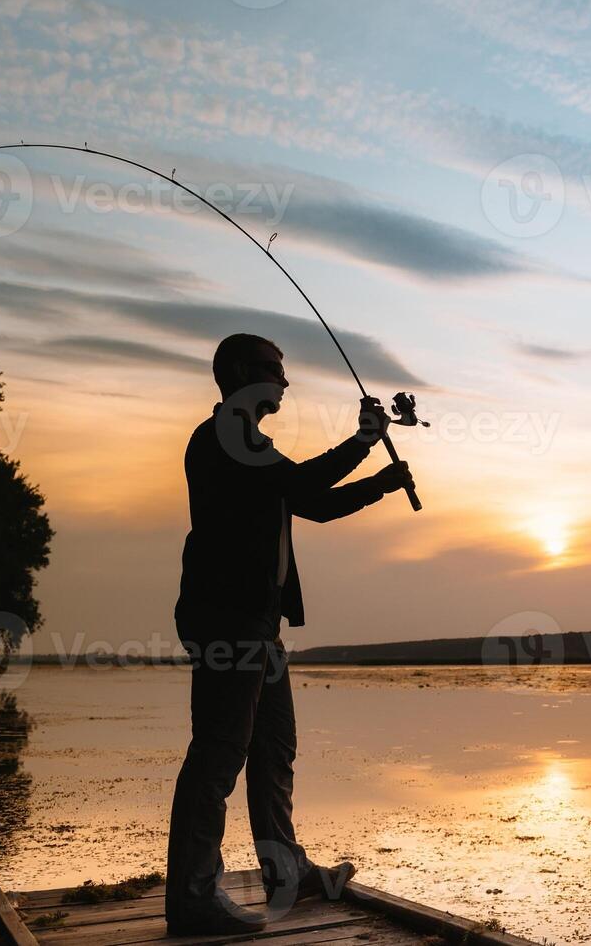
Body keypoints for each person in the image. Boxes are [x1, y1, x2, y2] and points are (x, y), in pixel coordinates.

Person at [165, 333, 413, 935]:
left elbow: (314, 505)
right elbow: (304, 487)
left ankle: (288, 872)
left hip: (259, 625)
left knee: (273, 748)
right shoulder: (226, 436)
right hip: (229, 621)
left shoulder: (248, 443)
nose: (284, 381)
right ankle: (193, 897)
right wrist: (364, 442)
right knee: (219, 753)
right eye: (276, 370)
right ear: (243, 373)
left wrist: (378, 479)